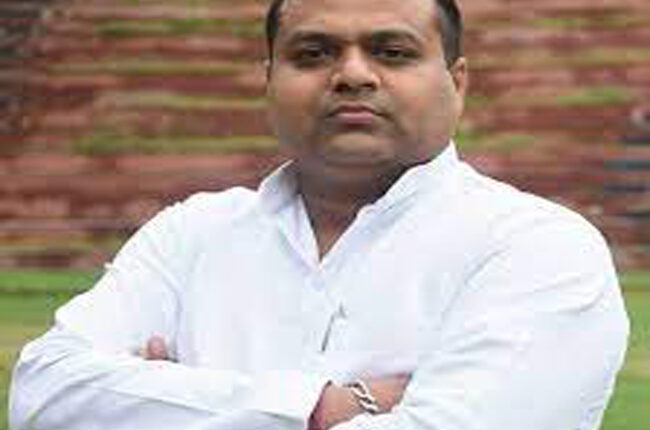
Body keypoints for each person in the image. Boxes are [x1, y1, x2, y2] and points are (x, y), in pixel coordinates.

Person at [9, 0, 629, 429]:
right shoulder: (192, 234)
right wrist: (322, 408)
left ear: (457, 82)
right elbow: (42, 393)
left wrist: (169, 404)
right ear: (269, 80)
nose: (353, 74)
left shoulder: (536, 247)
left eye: (393, 52)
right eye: (313, 53)